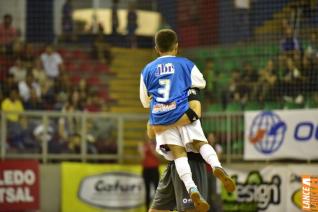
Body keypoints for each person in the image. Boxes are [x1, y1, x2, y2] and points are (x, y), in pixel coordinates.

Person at [140, 29, 235, 212]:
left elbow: (146, 103)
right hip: (181, 111)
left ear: (156, 48)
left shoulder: (147, 70)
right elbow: (201, 85)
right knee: (201, 142)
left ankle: (191, 187)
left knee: (178, 152)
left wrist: (159, 113)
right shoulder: (186, 66)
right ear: (177, 47)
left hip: (163, 118)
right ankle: (217, 166)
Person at [138, 133, 160, 210]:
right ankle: (147, 209)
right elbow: (142, 158)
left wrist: (151, 148)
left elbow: (158, 156)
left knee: (156, 190)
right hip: (146, 169)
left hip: (154, 169)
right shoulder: (142, 145)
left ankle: (157, 209)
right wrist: (142, 151)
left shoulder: (156, 144)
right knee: (147, 190)